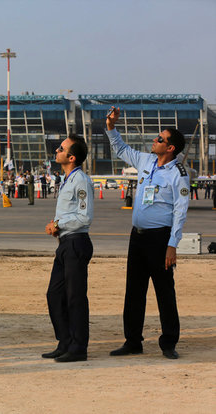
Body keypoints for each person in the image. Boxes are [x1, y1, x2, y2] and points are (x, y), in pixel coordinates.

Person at [106, 107, 190, 360]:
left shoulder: (178, 175)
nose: (154, 141)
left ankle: (168, 343)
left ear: (171, 148)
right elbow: (121, 149)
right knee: (134, 290)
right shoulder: (145, 161)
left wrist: (172, 245)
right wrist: (111, 126)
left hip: (160, 239)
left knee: (164, 291)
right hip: (138, 236)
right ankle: (132, 341)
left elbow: (180, 211)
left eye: (160, 139)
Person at [43, 134, 94, 363]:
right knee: (55, 294)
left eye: (61, 149)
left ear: (71, 157)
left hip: (76, 242)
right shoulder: (68, 179)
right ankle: (64, 341)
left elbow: (84, 217)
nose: (57, 151)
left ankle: (78, 347)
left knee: (75, 297)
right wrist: (58, 228)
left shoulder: (80, 180)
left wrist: (57, 224)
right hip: (65, 243)